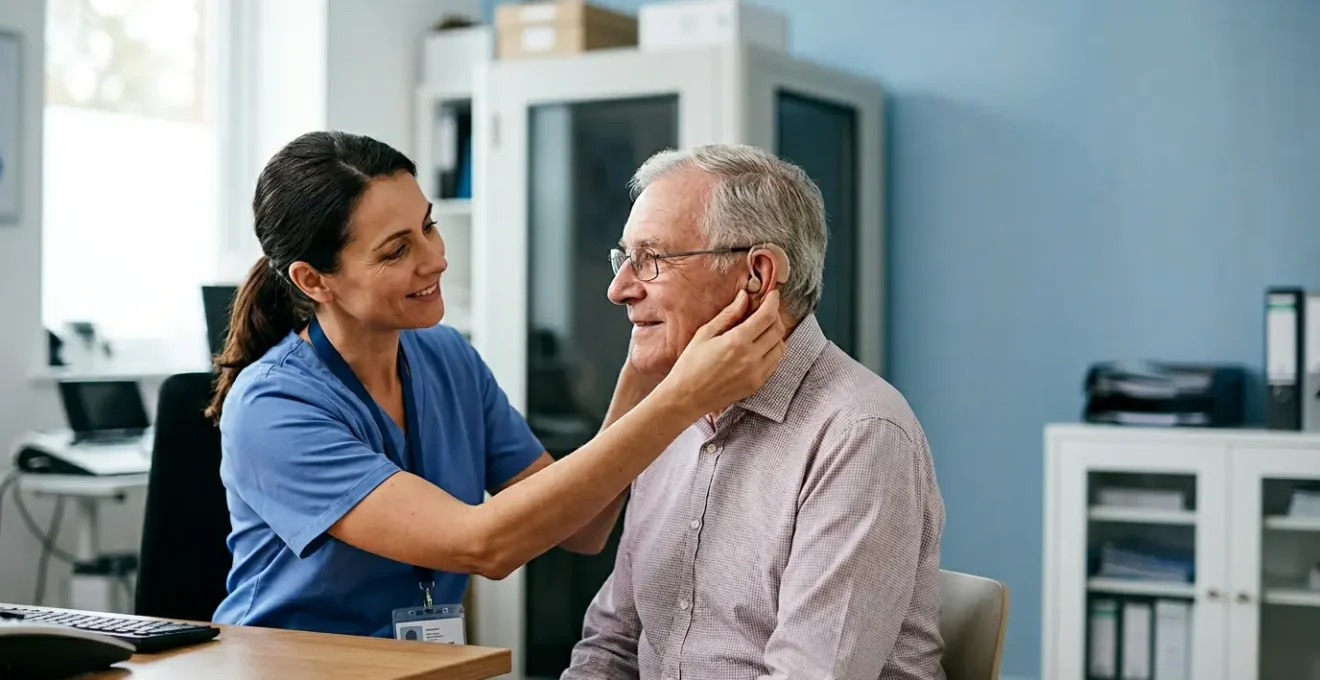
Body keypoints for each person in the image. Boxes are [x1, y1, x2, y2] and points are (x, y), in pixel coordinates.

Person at [206, 131, 787, 638]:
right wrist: (682, 397)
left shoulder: (446, 356)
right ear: (315, 281)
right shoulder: (271, 406)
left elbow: (581, 527)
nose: (435, 258)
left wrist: (643, 372)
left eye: (428, 226)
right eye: (397, 250)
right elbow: (482, 544)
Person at [563, 144, 947, 680]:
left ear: (757, 275)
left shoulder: (859, 433)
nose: (619, 288)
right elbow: (610, 647)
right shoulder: (667, 419)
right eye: (622, 258)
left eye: (650, 259)